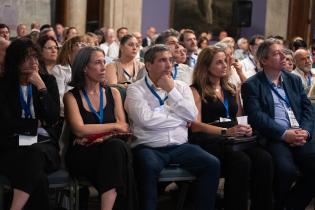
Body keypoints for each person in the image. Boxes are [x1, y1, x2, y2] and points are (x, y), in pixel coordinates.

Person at [125, 44, 220, 210]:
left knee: (212, 163)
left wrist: (171, 91)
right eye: (162, 60)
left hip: (180, 146)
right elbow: (146, 120)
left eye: (170, 60)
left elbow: (191, 116)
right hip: (148, 147)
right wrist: (179, 118)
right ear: (148, 65)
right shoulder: (135, 89)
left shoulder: (181, 87)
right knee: (147, 166)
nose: (169, 65)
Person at [189, 46, 273, 210]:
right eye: (219, 62)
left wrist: (245, 127)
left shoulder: (230, 88)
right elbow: (195, 125)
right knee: (241, 161)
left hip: (234, 139)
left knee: (265, 158)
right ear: (206, 66)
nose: (225, 65)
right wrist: (226, 131)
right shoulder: (195, 90)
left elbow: (239, 116)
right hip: (210, 139)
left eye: (225, 61)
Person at [241, 38, 315, 210]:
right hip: (275, 137)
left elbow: (307, 109)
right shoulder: (252, 85)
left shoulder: (293, 80)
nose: (283, 56)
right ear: (264, 61)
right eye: (276, 53)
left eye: (283, 51)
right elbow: (256, 116)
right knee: (286, 171)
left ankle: (289, 206)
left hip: (301, 134)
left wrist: (305, 131)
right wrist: (284, 134)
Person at [64, 46, 137, 210]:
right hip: (83, 153)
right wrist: (113, 127)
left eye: (104, 62)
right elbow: (79, 130)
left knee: (115, 149)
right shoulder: (71, 96)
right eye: (98, 63)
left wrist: (99, 133)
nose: (104, 67)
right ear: (84, 68)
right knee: (118, 156)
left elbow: (124, 128)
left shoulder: (114, 93)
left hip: (109, 150)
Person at [0, 38, 60, 210]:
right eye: (27, 57)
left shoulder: (48, 82)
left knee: (34, 153)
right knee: (37, 177)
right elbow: (6, 124)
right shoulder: (4, 86)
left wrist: (41, 88)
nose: (34, 62)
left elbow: (54, 117)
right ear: (15, 61)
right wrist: (37, 124)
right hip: (13, 148)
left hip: (45, 147)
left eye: (35, 57)